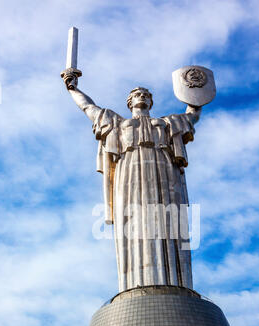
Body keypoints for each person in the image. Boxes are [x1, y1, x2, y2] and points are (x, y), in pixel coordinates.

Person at [62, 71, 201, 292]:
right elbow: (89, 108)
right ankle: (136, 282)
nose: (142, 96)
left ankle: (174, 282)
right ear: (130, 102)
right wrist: (73, 89)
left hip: (164, 171)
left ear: (150, 101)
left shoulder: (166, 123)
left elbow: (191, 116)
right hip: (129, 173)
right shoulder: (117, 123)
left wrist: (195, 94)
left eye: (146, 94)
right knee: (135, 222)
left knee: (168, 220)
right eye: (137, 94)